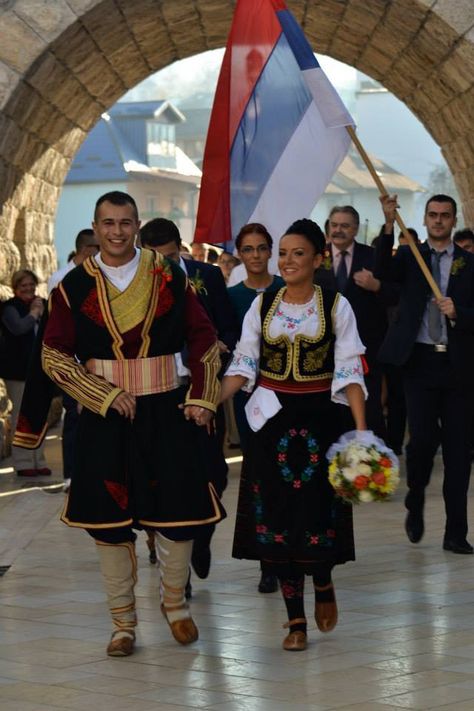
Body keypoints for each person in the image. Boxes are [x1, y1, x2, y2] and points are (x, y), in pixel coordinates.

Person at [15, 191, 225, 656]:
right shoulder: (72, 286)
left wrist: (203, 398)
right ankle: (123, 624)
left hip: (166, 409)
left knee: (178, 515)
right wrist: (101, 395)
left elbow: (204, 336)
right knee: (108, 523)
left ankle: (176, 605)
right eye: (107, 224)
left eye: (125, 223)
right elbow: (52, 353)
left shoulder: (168, 274)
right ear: (96, 227)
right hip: (105, 416)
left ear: (136, 224)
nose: (116, 232)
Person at [221, 218, 367, 651]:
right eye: (282, 252)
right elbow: (244, 363)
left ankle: (322, 580)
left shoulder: (336, 305)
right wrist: (209, 399)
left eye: (297, 253)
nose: (286, 260)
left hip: (322, 423)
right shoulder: (263, 305)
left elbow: (349, 370)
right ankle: (295, 621)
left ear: (318, 258)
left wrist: (361, 434)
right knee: (278, 522)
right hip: (271, 428)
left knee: (316, 517)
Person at [139, 217, 238, 585]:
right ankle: (169, 555)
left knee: (215, 471)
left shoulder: (206, 277)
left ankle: (202, 538)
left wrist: (220, 347)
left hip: (203, 387)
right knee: (162, 475)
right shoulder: (135, 284)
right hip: (159, 392)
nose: (159, 266)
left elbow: (228, 325)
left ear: (180, 248)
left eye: (166, 257)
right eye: (151, 257)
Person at [375, 193, 474, 554]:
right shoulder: (410, 256)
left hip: (458, 367)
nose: (437, 221)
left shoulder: (469, 263)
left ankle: (455, 532)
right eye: (432, 215)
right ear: (426, 218)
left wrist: (459, 312)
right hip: (419, 363)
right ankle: (415, 496)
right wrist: (388, 224)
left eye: (444, 216)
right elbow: (381, 273)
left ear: (453, 219)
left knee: (459, 452)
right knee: (420, 443)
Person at [227, 223, 285, 595]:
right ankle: (268, 561)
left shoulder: (288, 289)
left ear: (270, 251)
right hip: (250, 394)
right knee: (261, 474)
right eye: (248, 250)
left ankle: (294, 548)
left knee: (289, 471)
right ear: (240, 254)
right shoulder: (230, 296)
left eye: (262, 248)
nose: (255, 256)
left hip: (290, 393)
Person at [315, 205, 396, 438]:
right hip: (325, 348)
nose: (338, 230)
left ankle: (369, 463)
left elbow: (395, 294)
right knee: (330, 413)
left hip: (365, 348)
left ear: (356, 229)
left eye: (345, 226)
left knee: (368, 412)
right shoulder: (317, 257)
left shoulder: (370, 256)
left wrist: (376, 286)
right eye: (334, 225)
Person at [48, 229, 99, 490]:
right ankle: (71, 474)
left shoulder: (102, 273)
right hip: (73, 361)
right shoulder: (61, 279)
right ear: (86, 249)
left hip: (98, 359)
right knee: (74, 418)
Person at [0, 270, 50, 477]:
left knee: (39, 416)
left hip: (39, 371)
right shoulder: (10, 308)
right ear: (15, 288)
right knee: (22, 415)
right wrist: (34, 314)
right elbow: (18, 328)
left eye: (31, 284)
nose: (28, 288)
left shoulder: (42, 303)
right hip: (18, 373)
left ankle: (39, 460)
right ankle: (22, 462)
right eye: (23, 285)